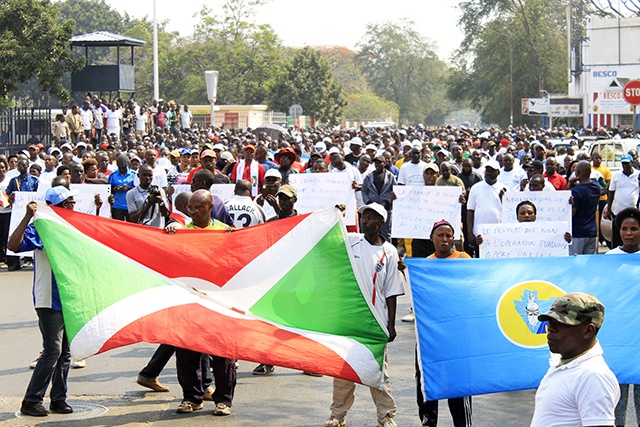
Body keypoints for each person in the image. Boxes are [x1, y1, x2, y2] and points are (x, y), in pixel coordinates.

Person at [325, 203, 404, 427]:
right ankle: (337, 415)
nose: (365, 221)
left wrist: (390, 324)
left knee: (378, 372)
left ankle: (386, 416)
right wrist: (336, 214)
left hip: (375, 321)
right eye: (363, 217)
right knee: (343, 371)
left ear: (381, 222)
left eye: (370, 218)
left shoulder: (389, 251)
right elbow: (328, 237)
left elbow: (391, 291)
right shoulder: (351, 241)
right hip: (349, 319)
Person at [8, 187, 80, 416]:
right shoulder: (41, 228)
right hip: (49, 299)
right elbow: (13, 245)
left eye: (73, 202)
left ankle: (58, 399)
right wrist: (28, 216)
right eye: (68, 202)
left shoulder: (70, 228)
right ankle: (31, 400)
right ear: (55, 206)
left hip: (68, 297)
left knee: (65, 353)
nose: (72, 206)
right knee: (52, 350)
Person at [174, 190, 236, 416]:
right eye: (190, 208)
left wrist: (235, 238)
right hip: (189, 302)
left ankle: (224, 400)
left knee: (223, 353)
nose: (192, 212)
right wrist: (170, 233)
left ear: (209, 207)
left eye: (198, 207)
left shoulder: (225, 232)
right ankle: (192, 398)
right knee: (187, 353)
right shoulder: (181, 232)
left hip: (219, 301)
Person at [530, 293, 619, 426]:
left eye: (561, 324)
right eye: (551, 322)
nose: (551, 329)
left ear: (588, 331)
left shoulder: (593, 376)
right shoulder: (565, 364)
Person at [416, 220, 472, 427]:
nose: (445, 239)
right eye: (440, 235)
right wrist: (407, 271)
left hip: (457, 332)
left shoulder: (464, 259)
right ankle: (428, 421)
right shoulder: (423, 265)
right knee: (427, 377)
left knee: (458, 380)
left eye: (449, 235)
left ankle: (462, 423)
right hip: (430, 332)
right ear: (432, 238)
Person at [605, 207, 640, 426]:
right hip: (618, 339)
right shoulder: (609, 258)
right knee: (616, 400)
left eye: (634, 229)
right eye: (624, 229)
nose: (628, 233)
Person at [604, 154, 639, 249]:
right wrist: (609, 208)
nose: (625, 166)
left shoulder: (638, 175)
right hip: (618, 211)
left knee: (632, 236)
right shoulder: (616, 175)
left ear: (632, 163)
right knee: (617, 237)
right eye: (623, 164)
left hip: (633, 211)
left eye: (627, 164)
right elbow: (611, 193)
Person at [361, 155, 397, 242]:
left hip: (386, 209)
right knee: (370, 230)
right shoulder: (369, 177)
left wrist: (386, 202)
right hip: (371, 208)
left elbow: (395, 191)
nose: (377, 164)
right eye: (376, 162)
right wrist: (368, 202)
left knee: (385, 232)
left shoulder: (390, 177)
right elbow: (364, 191)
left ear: (384, 163)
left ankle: (386, 251)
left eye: (380, 162)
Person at [569, 161, 601, 255]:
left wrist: (570, 187)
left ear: (577, 172)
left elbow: (572, 214)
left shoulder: (576, 191)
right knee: (589, 262)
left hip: (578, 232)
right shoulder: (596, 186)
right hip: (592, 232)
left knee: (575, 262)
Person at [108, 155, 136, 221]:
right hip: (117, 206)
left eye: (124, 168)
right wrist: (115, 189)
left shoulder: (134, 174)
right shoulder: (113, 175)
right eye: (120, 168)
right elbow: (109, 189)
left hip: (130, 206)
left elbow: (138, 189)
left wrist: (129, 188)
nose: (122, 170)